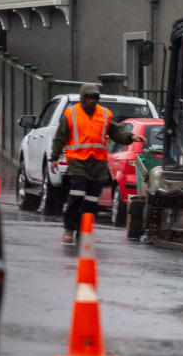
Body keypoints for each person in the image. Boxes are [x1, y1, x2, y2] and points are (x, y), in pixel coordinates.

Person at [50, 83, 145, 244]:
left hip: (98, 164)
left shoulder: (105, 114)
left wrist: (131, 137)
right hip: (78, 162)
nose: (92, 101)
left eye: (95, 98)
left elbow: (116, 132)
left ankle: (84, 231)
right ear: (83, 98)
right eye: (89, 98)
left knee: (92, 201)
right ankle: (69, 228)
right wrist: (54, 157)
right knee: (77, 195)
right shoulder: (71, 114)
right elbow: (60, 137)